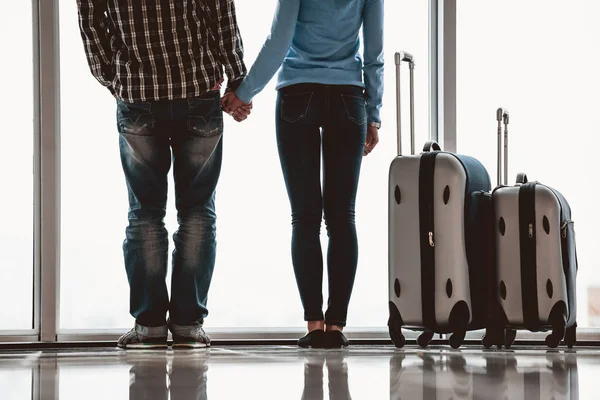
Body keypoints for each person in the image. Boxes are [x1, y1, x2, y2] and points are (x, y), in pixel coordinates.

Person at [76, 0, 250, 349]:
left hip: (138, 94)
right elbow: (221, 13)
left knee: (144, 213)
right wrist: (237, 78)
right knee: (198, 211)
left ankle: (150, 326)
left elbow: (91, 21)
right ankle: (187, 326)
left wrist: (115, 78)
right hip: (198, 90)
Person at [222, 0, 384, 348]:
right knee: (343, 217)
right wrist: (373, 114)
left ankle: (314, 325)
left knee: (306, 217)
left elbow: (279, 39)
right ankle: (336, 328)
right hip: (348, 98)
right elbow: (374, 50)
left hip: (297, 94)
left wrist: (244, 93)